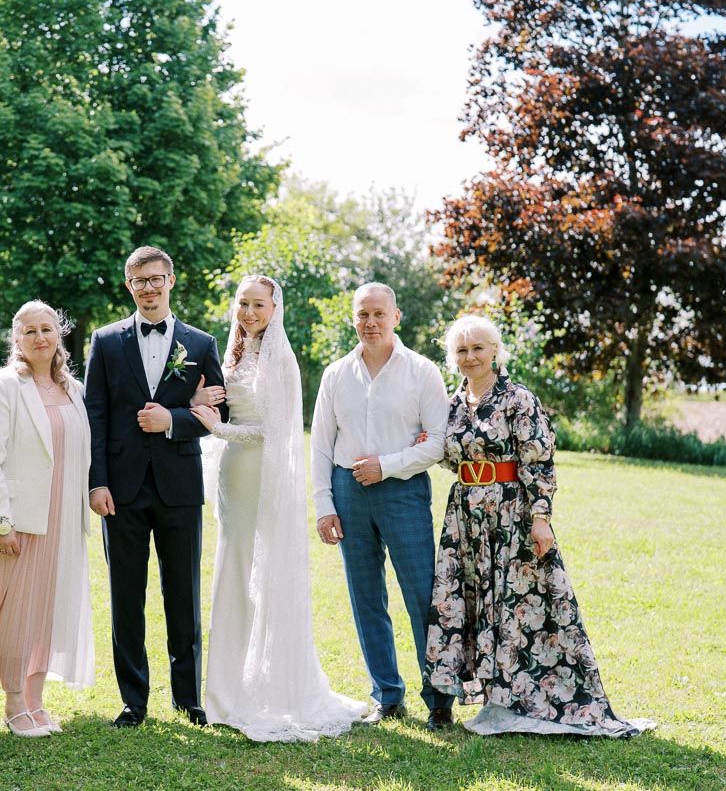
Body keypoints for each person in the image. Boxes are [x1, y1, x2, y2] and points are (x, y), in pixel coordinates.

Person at [423, 315, 654, 737]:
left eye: (478, 348)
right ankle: (493, 697)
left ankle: (532, 698)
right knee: (476, 602)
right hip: (465, 518)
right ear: (452, 357)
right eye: (461, 350)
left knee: (521, 604)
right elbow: (448, 455)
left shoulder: (518, 398)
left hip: (512, 514)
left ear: (495, 351)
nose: (470, 357)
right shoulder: (452, 403)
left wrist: (541, 518)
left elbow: (540, 460)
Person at [190, 275, 363, 741]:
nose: (248, 313)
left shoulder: (281, 358)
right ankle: (225, 691)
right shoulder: (234, 351)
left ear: (274, 308)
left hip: (260, 472)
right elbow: (216, 407)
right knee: (233, 568)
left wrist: (220, 430)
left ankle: (263, 690)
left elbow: (277, 431)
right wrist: (202, 406)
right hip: (232, 476)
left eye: (258, 305)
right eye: (243, 303)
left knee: (258, 573)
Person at [84, 245, 225, 728]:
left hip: (179, 486)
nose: (148, 287)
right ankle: (133, 700)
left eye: (156, 278)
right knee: (127, 596)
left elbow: (217, 415)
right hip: (119, 491)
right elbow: (94, 416)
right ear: (129, 286)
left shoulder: (201, 343)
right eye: (139, 280)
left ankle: (188, 698)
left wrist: (174, 419)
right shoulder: (104, 342)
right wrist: (96, 482)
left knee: (182, 594)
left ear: (170, 280)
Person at [309, 282, 455, 730]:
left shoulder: (422, 372)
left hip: (403, 491)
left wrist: (386, 466)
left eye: (378, 314)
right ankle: (387, 695)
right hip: (347, 490)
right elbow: (319, 442)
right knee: (365, 597)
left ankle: (439, 699)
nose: (370, 322)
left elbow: (439, 441)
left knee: (420, 595)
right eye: (362, 315)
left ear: (396, 316)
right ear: (353, 318)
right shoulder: (336, 374)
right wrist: (323, 504)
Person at [0, 301, 94, 738]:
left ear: (59, 334)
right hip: (18, 521)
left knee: (44, 614)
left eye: (47, 329)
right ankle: (13, 705)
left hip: (62, 519)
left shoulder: (75, 389)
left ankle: (36, 700)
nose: (40, 338)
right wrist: (0, 522)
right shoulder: (1, 387)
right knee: (15, 615)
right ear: (16, 340)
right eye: (29, 331)